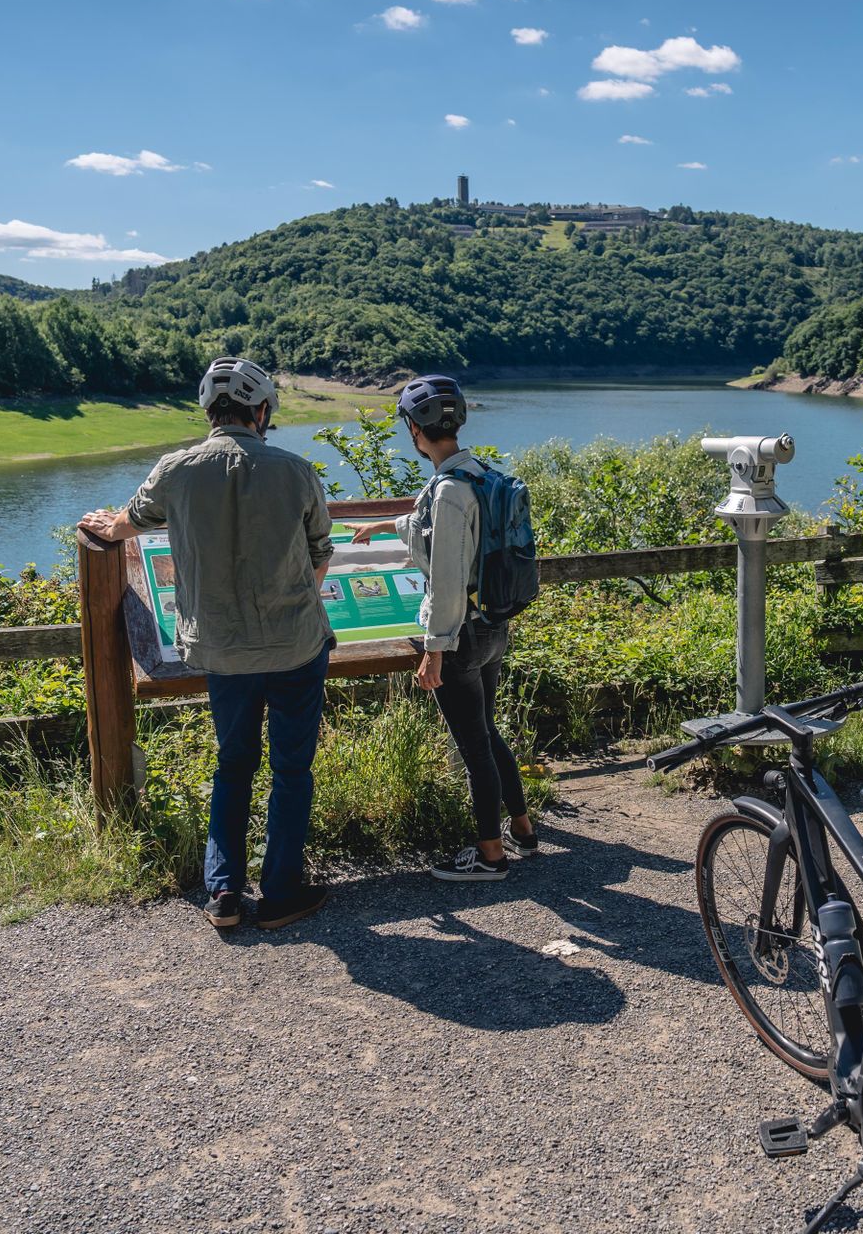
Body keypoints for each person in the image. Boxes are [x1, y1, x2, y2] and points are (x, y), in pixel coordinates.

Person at [80, 357, 335, 930]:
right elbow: (321, 550)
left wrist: (105, 524)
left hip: (220, 648)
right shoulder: (296, 470)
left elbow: (126, 524)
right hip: (295, 643)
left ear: (209, 412)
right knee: (292, 768)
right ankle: (280, 892)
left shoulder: (175, 469)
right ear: (262, 411)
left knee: (233, 764)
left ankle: (222, 894)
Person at [351, 374, 535, 881]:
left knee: (473, 746)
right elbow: (430, 527)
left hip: (459, 636)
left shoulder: (449, 490)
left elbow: (449, 576)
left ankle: (490, 855)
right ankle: (522, 828)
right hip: (493, 627)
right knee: (488, 732)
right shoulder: (477, 474)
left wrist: (434, 648)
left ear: (414, 430)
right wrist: (384, 524)